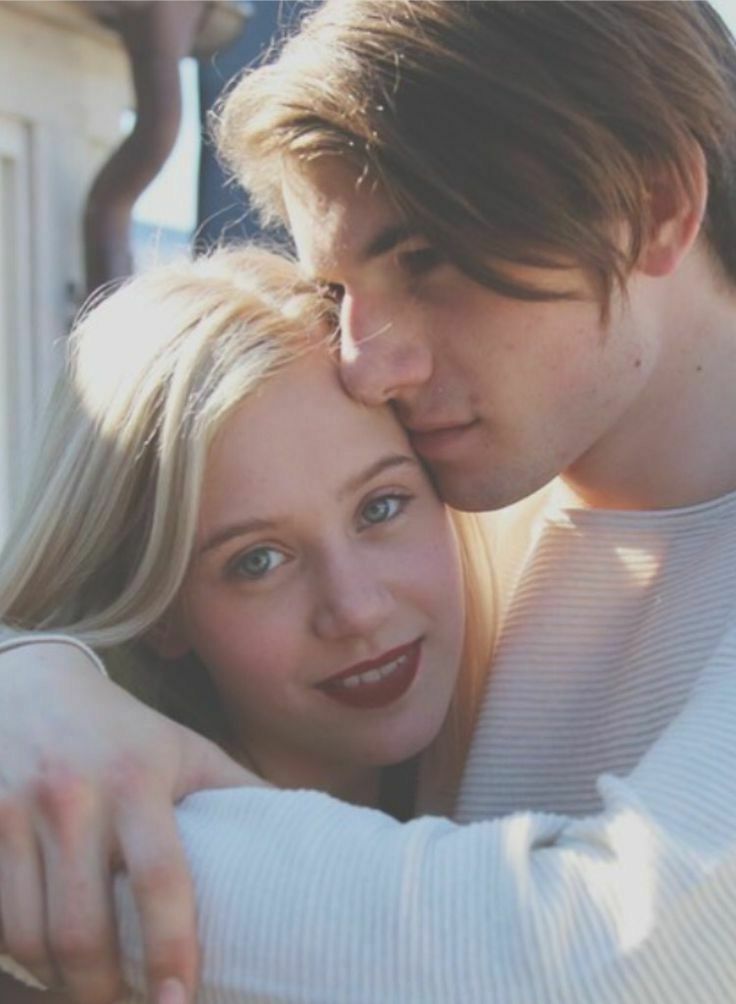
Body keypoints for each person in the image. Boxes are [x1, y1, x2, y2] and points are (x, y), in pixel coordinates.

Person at [2, 1, 736, 1001]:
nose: (367, 362)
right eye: (340, 291)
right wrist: (39, 677)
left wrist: (66, 831)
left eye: (425, 258)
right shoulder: (464, 505)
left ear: (656, 205)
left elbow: (617, 959)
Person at [0, 245, 493, 1001]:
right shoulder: (86, 899)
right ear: (163, 613)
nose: (356, 609)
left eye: (381, 507)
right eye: (258, 560)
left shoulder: (545, 739)